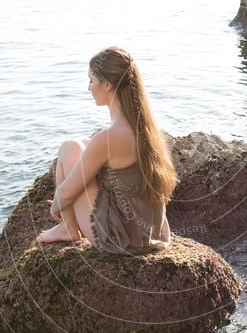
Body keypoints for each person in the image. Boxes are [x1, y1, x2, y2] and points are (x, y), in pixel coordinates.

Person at [36, 46, 177, 254]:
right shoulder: (143, 127)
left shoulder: (110, 137)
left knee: (69, 148)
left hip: (124, 239)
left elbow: (66, 192)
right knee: (82, 143)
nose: (88, 87)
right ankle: (68, 225)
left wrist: (57, 207)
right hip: (151, 233)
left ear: (108, 85)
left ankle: (68, 227)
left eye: (91, 80)